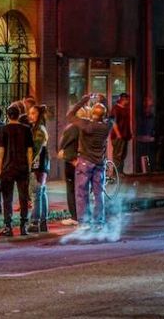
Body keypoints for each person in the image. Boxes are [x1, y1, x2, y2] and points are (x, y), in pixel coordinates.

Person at [68, 95, 112, 230]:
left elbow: (70, 115)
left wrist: (83, 100)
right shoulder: (107, 126)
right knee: (99, 193)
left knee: (82, 192)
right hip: (99, 162)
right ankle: (99, 221)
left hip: (85, 161)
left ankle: (84, 222)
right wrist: (104, 100)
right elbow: (111, 115)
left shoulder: (86, 125)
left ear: (92, 113)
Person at [0, 104, 33, 236]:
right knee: (23, 197)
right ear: (18, 114)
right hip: (22, 167)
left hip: (8, 167)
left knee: (7, 198)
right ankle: (24, 225)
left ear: (8, 115)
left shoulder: (4, 130)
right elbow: (29, 150)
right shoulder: (26, 129)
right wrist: (29, 167)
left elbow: (1, 150)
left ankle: (8, 226)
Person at [28, 104, 51, 233]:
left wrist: (29, 162)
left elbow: (35, 149)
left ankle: (35, 222)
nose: (30, 116)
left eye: (33, 113)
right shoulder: (38, 128)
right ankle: (43, 221)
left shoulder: (39, 130)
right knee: (41, 193)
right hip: (42, 164)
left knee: (36, 193)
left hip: (38, 165)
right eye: (29, 113)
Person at [57, 113, 80, 225]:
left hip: (72, 161)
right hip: (86, 161)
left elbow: (62, 144)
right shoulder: (89, 127)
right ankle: (83, 215)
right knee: (83, 189)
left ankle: (75, 216)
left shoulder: (72, 128)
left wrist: (63, 152)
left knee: (71, 189)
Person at [110, 93, 132, 175]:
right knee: (117, 155)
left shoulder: (125, 109)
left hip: (125, 135)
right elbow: (113, 122)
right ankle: (116, 173)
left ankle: (120, 171)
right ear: (123, 99)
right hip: (118, 136)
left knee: (123, 154)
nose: (128, 101)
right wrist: (118, 134)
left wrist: (129, 133)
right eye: (127, 99)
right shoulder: (116, 108)